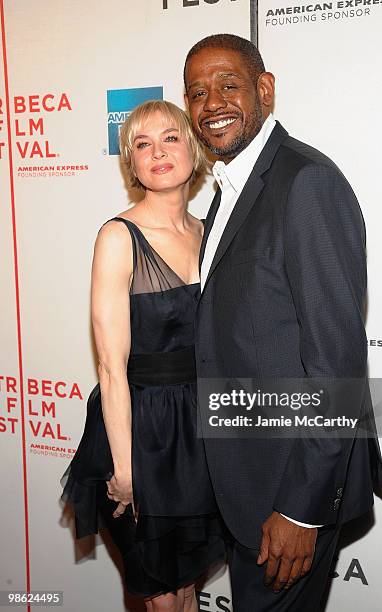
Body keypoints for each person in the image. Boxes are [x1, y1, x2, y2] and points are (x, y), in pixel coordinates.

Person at [183, 34, 382, 611]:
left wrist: (301, 508)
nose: (212, 103)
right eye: (198, 93)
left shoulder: (305, 183)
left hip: (288, 493)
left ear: (265, 90)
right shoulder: (230, 188)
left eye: (229, 85)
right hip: (243, 480)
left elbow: (338, 362)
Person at [60, 100, 227, 611]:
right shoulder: (118, 237)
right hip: (142, 432)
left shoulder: (211, 233)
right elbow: (111, 367)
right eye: (141, 143)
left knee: (186, 589)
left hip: (201, 432)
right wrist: (127, 467)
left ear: (193, 149)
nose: (158, 152)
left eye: (170, 138)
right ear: (130, 163)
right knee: (159, 597)